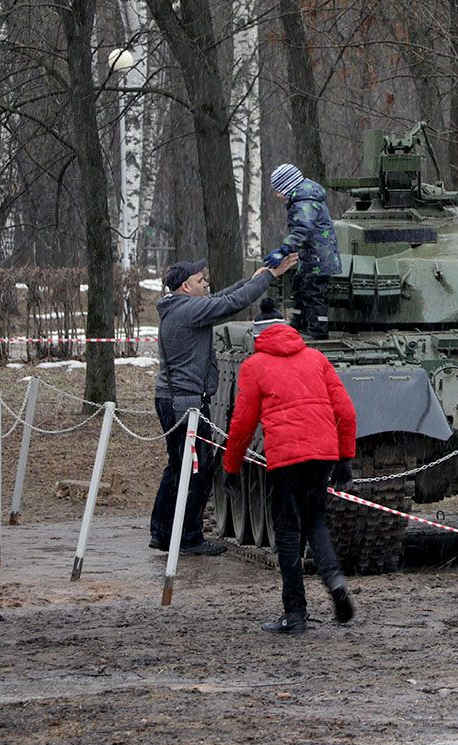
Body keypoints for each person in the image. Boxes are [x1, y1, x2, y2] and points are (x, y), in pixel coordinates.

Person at [222, 296, 358, 634]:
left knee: (286, 531)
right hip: (322, 453)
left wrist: (231, 467)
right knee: (315, 520)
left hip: (285, 457)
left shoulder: (254, 366)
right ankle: (335, 580)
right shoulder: (316, 357)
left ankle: (295, 614)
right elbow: (347, 412)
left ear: (257, 336)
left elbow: (242, 424)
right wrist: (345, 458)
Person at [149, 254, 297, 555]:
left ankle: (162, 531)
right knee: (197, 469)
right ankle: (188, 536)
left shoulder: (179, 307)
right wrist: (269, 277)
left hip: (174, 399)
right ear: (185, 287)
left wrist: (257, 276)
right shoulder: (188, 310)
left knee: (178, 466)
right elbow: (230, 304)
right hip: (186, 403)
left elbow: (224, 296)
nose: (207, 283)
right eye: (201, 280)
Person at [265, 163, 343, 340]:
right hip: (310, 258)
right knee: (299, 286)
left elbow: (303, 229)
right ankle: (298, 321)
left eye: (279, 190)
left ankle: (317, 330)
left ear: (288, 186)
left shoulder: (305, 202)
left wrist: (284, 249)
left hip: (318, 259)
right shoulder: (303, 199)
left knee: (313, 293)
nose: (278, 195)